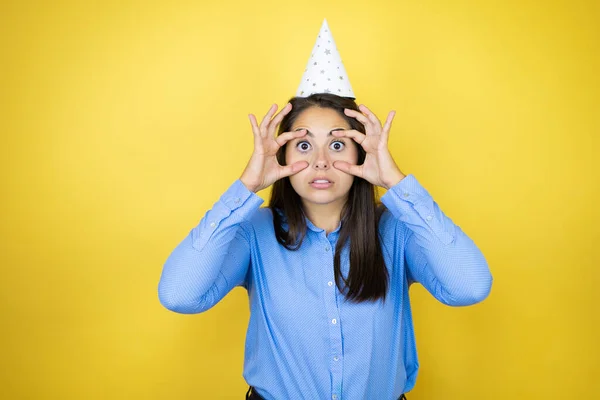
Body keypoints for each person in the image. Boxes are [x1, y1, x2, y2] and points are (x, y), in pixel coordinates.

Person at [158, 20, 492, 400]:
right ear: (281, 155)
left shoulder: (397, 230)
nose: (320, 162)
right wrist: (245, 187)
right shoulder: (254, 231)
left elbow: (470, 287)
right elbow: (179, 295)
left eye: (337, 145)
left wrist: (398, 183)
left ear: (360, 154)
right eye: (303, 145)